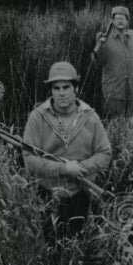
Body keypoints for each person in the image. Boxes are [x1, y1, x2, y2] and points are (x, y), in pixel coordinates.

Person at [22, 61, 111, 238]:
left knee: (78, 244)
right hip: (47, 194)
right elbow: (28, 159)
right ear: (51, 90)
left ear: (75, 88)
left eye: (66, 87)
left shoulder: (90, 117)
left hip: (80, 194)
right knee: (49, 245)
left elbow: (105, 153)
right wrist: (64, 169)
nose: (61, 93)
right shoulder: (38, 116)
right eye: (56, 88)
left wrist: (79, 167)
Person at [91, 6, 133, 118]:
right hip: (113, 94)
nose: (119, 20)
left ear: (127, 20)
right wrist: (99, 45)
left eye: (122, 18)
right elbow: (96, 64)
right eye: (116, 18)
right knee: (115, 128)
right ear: (112, 21)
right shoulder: (104, 39)